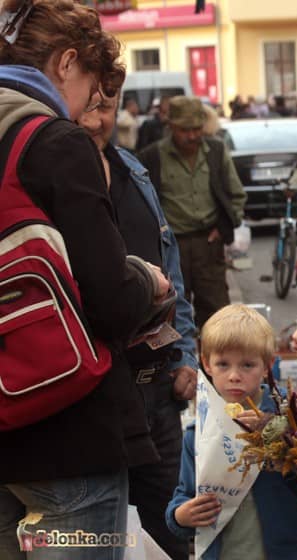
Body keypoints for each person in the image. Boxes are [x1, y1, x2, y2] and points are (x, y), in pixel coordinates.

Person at [0, 1, 170, 559]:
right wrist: (147, 281)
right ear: (67, 62)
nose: (86, 111)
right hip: (65, 428)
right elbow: (111, 299)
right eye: (93, 91)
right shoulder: (53, 141)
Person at [79, 90, 199, 560]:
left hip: (157, 393)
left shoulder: (132, 169)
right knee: (102, 541)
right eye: (88, 105)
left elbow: (172, 271)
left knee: (171, 534)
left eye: (107, 107)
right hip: (92, 401)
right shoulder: (52, 176)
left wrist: (185, 355)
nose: (96, 120)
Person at [165, 304, 297, 559]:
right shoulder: (199, 432)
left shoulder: (292, 416)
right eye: (223, 364)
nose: (234, 376)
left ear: (268, 365)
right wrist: (180, 516)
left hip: (286, 552)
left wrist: (278, 433)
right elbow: (184, 495)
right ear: (206, 364)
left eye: (247, 365)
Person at [138, 96, 247, 332]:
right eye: (185, 130)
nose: (192, 136)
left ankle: (213, 356)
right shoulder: (152, 157)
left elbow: (236, 195)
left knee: (217, 316)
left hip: (208, 244)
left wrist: (224, 227)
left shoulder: (216, 151)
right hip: (171, 249)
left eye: (197, 129)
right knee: (174, 315)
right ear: (171, 127)